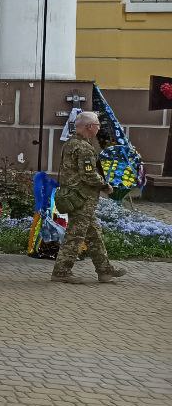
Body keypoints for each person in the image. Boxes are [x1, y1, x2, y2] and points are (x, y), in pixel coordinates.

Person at [51, 111, 127, 284]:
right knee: (75, 235)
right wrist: (105, 186)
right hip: (81, 198)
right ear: (89, 127)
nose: (99, 128)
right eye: (98, 125)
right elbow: (89, 175)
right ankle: (61, 271)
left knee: (94, 234)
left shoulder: (71, 143)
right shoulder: (84, 147)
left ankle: (104, 270)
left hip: (75, 196)